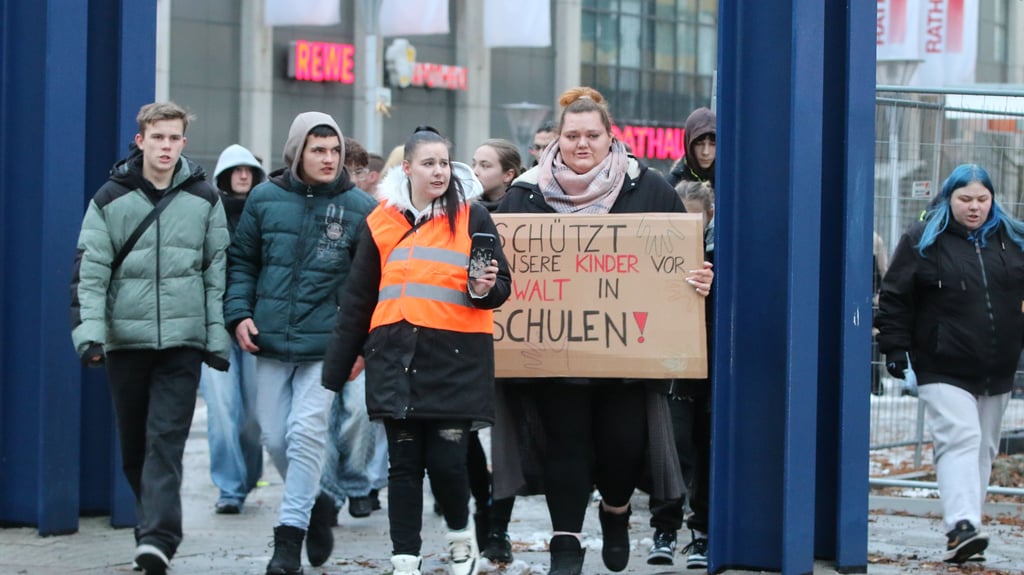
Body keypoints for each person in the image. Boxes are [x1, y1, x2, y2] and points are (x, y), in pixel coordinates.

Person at [492, 87, 714, 575]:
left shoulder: (649, 188)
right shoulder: (524, 195)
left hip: (628, 364)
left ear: (610, 137)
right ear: (558, 139)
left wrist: (700, 276)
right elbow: (501, 265)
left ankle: (615, 512)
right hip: (552, 358)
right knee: (565, 446)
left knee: (621, 449)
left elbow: (681, 262)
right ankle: (565, 544)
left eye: (592, 135)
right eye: (572, 135)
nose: (581, 144)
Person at [321, 126, 512, 575]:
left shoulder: (473, 217)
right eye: (428, 163)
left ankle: (462, 536)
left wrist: (486, 289)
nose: (439, 171)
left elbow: (499, 285)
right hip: (395, 360)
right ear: (406, 169)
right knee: (403, 465)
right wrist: (337, 367)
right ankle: (404, 557)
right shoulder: (380, 220)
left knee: (447, 462)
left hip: (455, 360)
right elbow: (359, 299)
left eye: (444, 162)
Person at [70, 101, 231, 575]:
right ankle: (152, 531)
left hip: (182, 342)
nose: (165, 146)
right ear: (140, 140)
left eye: (173, 137)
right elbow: (89, 271)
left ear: (184, 141)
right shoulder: (109, 197)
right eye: (157, 137)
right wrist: (90, 336)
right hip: (126, 342)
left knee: (166, 441)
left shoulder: (204, 197)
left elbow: (216, 270)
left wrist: (214, 338)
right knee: (135, 448)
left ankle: (159, 538)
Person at [224, 111, 378, 575]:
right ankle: (318, 504)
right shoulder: (264, 198)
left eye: (334, 151)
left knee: (305, 431)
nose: (329, 159)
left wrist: (363, 346)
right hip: (268, 340)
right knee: (272, 434)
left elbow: (373, 284)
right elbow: (243, 262)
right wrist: (239, 314)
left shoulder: (360, 208)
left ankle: (287, 539)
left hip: (329, 344)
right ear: (297, 152)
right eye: (318, 150)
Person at [875, 163, 1024, 564]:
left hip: (997, 365)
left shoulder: (1013, 239)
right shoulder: (923, 239)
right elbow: (895, 296)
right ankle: (961, 524)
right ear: (948, 198)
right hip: (941, 362)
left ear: (993, 200)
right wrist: (894, 347)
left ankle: (966, 532)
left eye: (982, 199)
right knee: (961, 437)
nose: (974, 207)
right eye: (965, 199)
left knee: (984, 447)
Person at [647, 180, 715, 570]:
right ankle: (665, 527)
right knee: (670, 448)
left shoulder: (720, 251)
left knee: (704, 448)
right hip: (671, 364)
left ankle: (701, 529)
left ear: (708, 217)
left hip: (705, 363)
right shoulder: (658, 246)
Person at [201, 144, 266, 515]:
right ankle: (229, 487)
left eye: (249, 170)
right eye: (235, 170)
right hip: (215, 327)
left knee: (255, 415)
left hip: (256, 326)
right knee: (222, 409)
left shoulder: (265, 214)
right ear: (224, 175)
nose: (242, 176)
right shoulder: (206, 214)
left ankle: (246, 477)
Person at [318, 136, 381, 522]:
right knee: (323, 417)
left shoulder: (372, 213)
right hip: (320, 330)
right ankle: (330, 491)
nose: (352, 177)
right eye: (347, 169)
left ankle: (356, 480)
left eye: (357, 170)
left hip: (361, 330)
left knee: (359, 411)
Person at [469, 138, 524, 564]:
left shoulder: (527, 210)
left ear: (508, 174)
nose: (475, 170)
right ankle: (478, 509)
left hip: (516, 342)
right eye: (472, 163)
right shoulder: (461, 212)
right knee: (466, 433)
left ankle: (498, 526)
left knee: (505, 441)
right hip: (470, 339)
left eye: (484, 164)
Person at [667, 107, 716, 187]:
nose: (705, 152)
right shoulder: (671, 186)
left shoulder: (729, 182)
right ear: (689, 144)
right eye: (699, 144)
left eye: (713, 144)